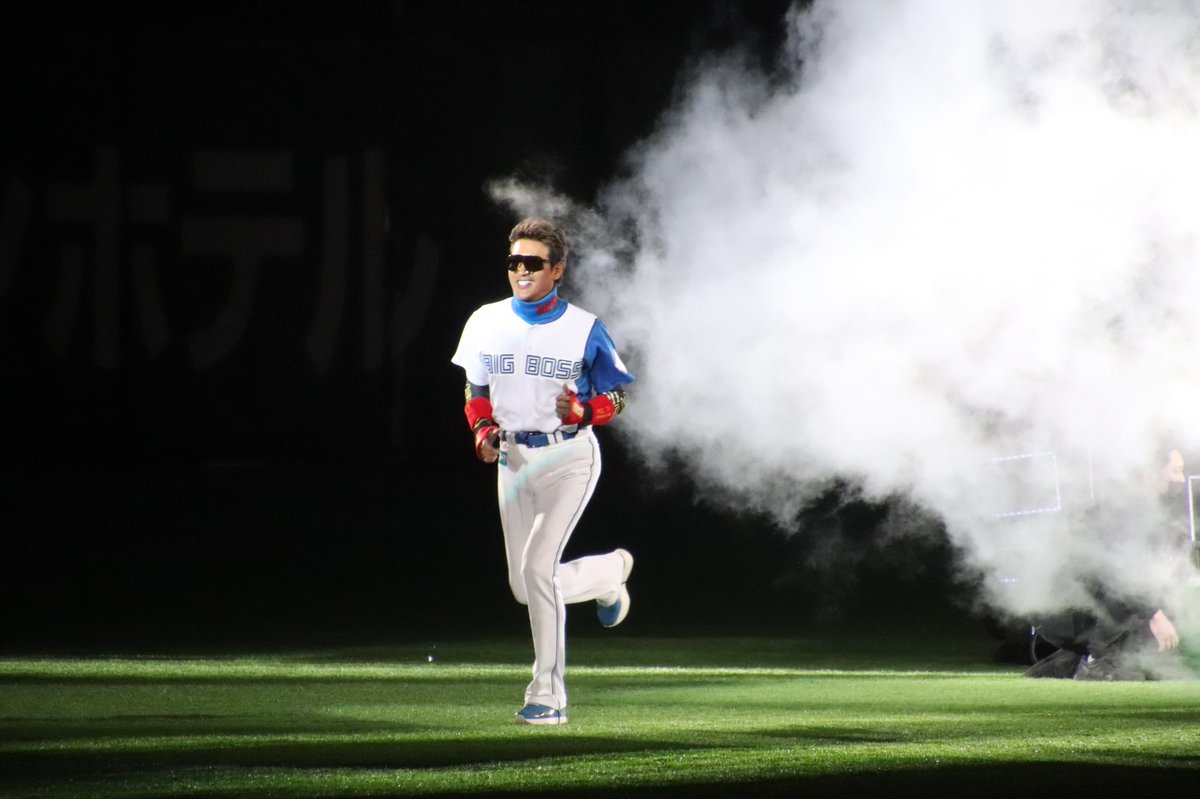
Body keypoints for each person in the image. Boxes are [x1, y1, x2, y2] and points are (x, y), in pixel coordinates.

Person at [451, 217, 636, 725]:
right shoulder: (485, 320)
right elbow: (475, 388)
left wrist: (585, 411)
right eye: (515, 261)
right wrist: (481, 429)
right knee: (525, 586)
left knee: (536, 570)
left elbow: (618, 394)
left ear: (557, 269)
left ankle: (548, 697)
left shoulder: (584, 327)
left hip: (568, 456)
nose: (522, 271)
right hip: (512, 459)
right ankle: (608, 574)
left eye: (533, 262)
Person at [1024, 446, 1187, 680]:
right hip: (1064, 610)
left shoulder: (1145, 512)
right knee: (1139, 601)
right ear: (1151, 474)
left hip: (1077, 610)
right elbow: (1116, 574)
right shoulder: (1120, 508)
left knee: (1158, 605)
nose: (1181, 479)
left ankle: (1064, 666)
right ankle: (1097, 664)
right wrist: (1157, 615)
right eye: (1176, 471)